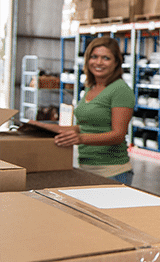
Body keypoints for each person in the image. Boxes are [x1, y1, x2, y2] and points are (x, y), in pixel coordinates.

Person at [29, 36, 135, 185]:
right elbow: (83, 127)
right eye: (94, 57)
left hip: (112, 172)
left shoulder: (120, 90)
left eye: (106, 58)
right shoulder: (90, 88)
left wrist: (80, 139)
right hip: (86, 168)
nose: (98, 62)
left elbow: (118, 135)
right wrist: (46, 128)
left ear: (116, 62)